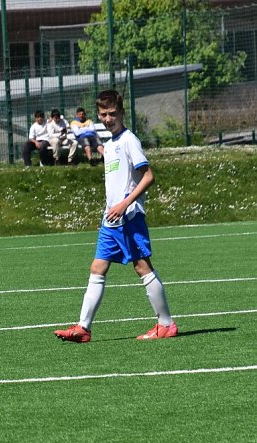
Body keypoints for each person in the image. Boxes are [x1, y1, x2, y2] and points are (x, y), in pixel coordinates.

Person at [54, 90, 177, 343]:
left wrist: (124, 204)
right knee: (97, 268)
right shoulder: (109, 145)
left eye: (112, 113)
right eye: (103, 114)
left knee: (142, 267)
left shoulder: (129, 140)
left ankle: (166, 324)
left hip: (129, 217)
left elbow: (148, 177)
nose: (108, 119)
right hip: (110, 220)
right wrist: (112, 208)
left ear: (121, 112)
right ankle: (83, 328)